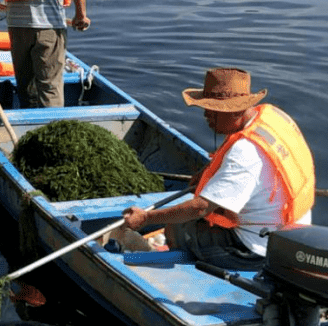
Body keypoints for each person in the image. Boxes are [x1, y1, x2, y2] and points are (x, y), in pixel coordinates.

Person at [121, 68, 315, 270]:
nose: (205, 115)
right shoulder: (271, 117)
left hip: (255, 250)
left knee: (176, 227)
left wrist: (146, 218)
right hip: (291, 235)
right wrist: (208, 171)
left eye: (213, 110)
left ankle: (172, 257)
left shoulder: (245, 153)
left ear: (235, 110)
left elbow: (200, 207)